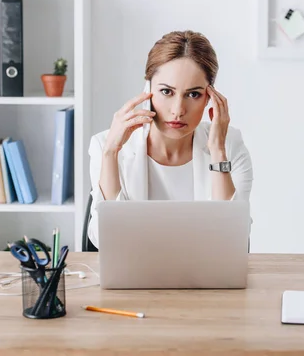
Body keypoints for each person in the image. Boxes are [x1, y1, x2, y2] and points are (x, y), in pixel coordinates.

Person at [86, 30, 253, 249]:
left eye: (193, 94)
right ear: (147, 90)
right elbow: (104, 240)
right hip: (136, 279)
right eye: (166, 91)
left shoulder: (229, 144)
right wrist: (110, 154)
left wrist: (217, 151)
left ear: (209, 98)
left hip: (207, 279)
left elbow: (233, 238)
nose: (178, 110)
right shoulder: (106, 145)